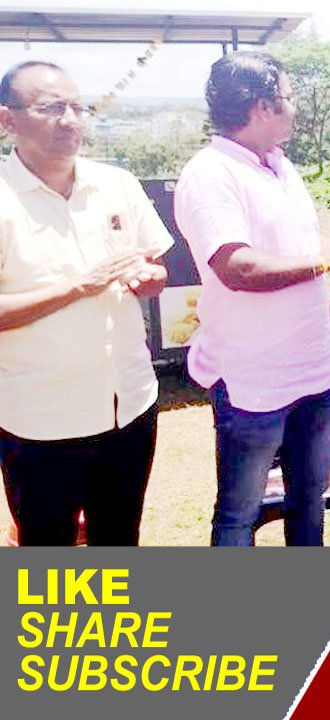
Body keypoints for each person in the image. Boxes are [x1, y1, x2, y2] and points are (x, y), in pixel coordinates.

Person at [175, 52, 330, 546]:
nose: (295, 107)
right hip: (253, 383)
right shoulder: (211, 173)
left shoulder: (281, 167)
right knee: (239, 515)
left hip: (313, 373)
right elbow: (237, 267)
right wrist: (323, 259)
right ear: (262, 106)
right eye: (288, 97)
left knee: (310, 503)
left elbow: (296, 250)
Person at [0, 61, 172, 545]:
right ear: (7, 120)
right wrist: (77, 288)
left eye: (78, 107)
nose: (71, 120)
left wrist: (149, 278)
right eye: (52, 108)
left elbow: (156, 266)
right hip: (40, 420)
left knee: (120, 540)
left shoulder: (116, 184)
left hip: (130, 406)